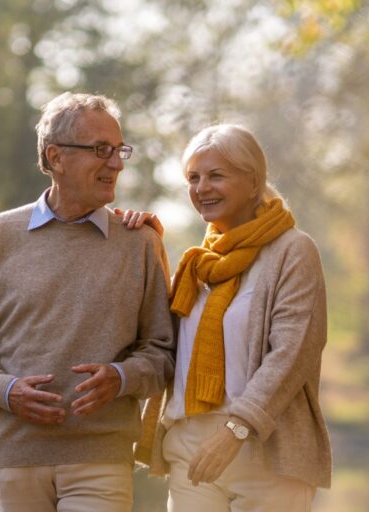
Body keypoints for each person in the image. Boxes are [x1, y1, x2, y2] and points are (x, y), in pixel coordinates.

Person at [0, 92, 175, 512]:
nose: (117, 163)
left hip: (102, 453)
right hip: (14, 456)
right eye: (101, 150)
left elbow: (164, 351)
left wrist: (120, 378)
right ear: (57, 156)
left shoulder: (139, 243)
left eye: (119, 150)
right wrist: (7, 391)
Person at [131, 124, 331, 511]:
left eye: (216, 175)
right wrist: (139, 243)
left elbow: (293, 353)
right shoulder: (195, 263)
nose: (201, 188)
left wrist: (236, 428)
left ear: (254, 181)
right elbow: (163, 344)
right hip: (188, 446)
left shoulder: (293, 251)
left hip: (265, 447)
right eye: (193, 178)